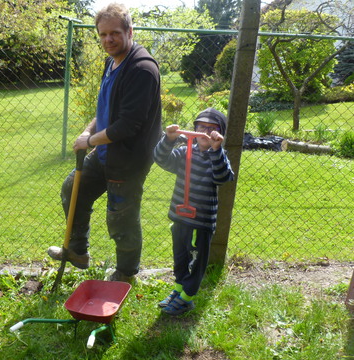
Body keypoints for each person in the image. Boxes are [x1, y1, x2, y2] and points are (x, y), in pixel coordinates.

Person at [47, 2, 162, 283]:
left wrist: (90, 141)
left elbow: (128, 125)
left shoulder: (142, 69)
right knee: (73, 188)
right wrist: (88, 133)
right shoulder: (111, 63)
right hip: (104, 153)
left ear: (129, 31)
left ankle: (126, 272)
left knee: (121, 217)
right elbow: (105, 111)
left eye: (114, 33)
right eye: (102, 34)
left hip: (129, 160)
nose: (108, 40)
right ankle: (77, 251)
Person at [153, 108, 234, 315]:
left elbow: (223, 177)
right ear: (194, 130)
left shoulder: (218, 157)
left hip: (202, 221)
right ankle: (179, 289)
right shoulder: (184, 152)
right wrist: (168, 140)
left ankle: (187, 297)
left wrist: (217, 150)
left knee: (197, 259)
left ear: (219, 133)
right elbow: (161, 159)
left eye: (211, 129)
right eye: (201, 127)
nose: (205, 133)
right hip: (180, 217)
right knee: (180, 256)